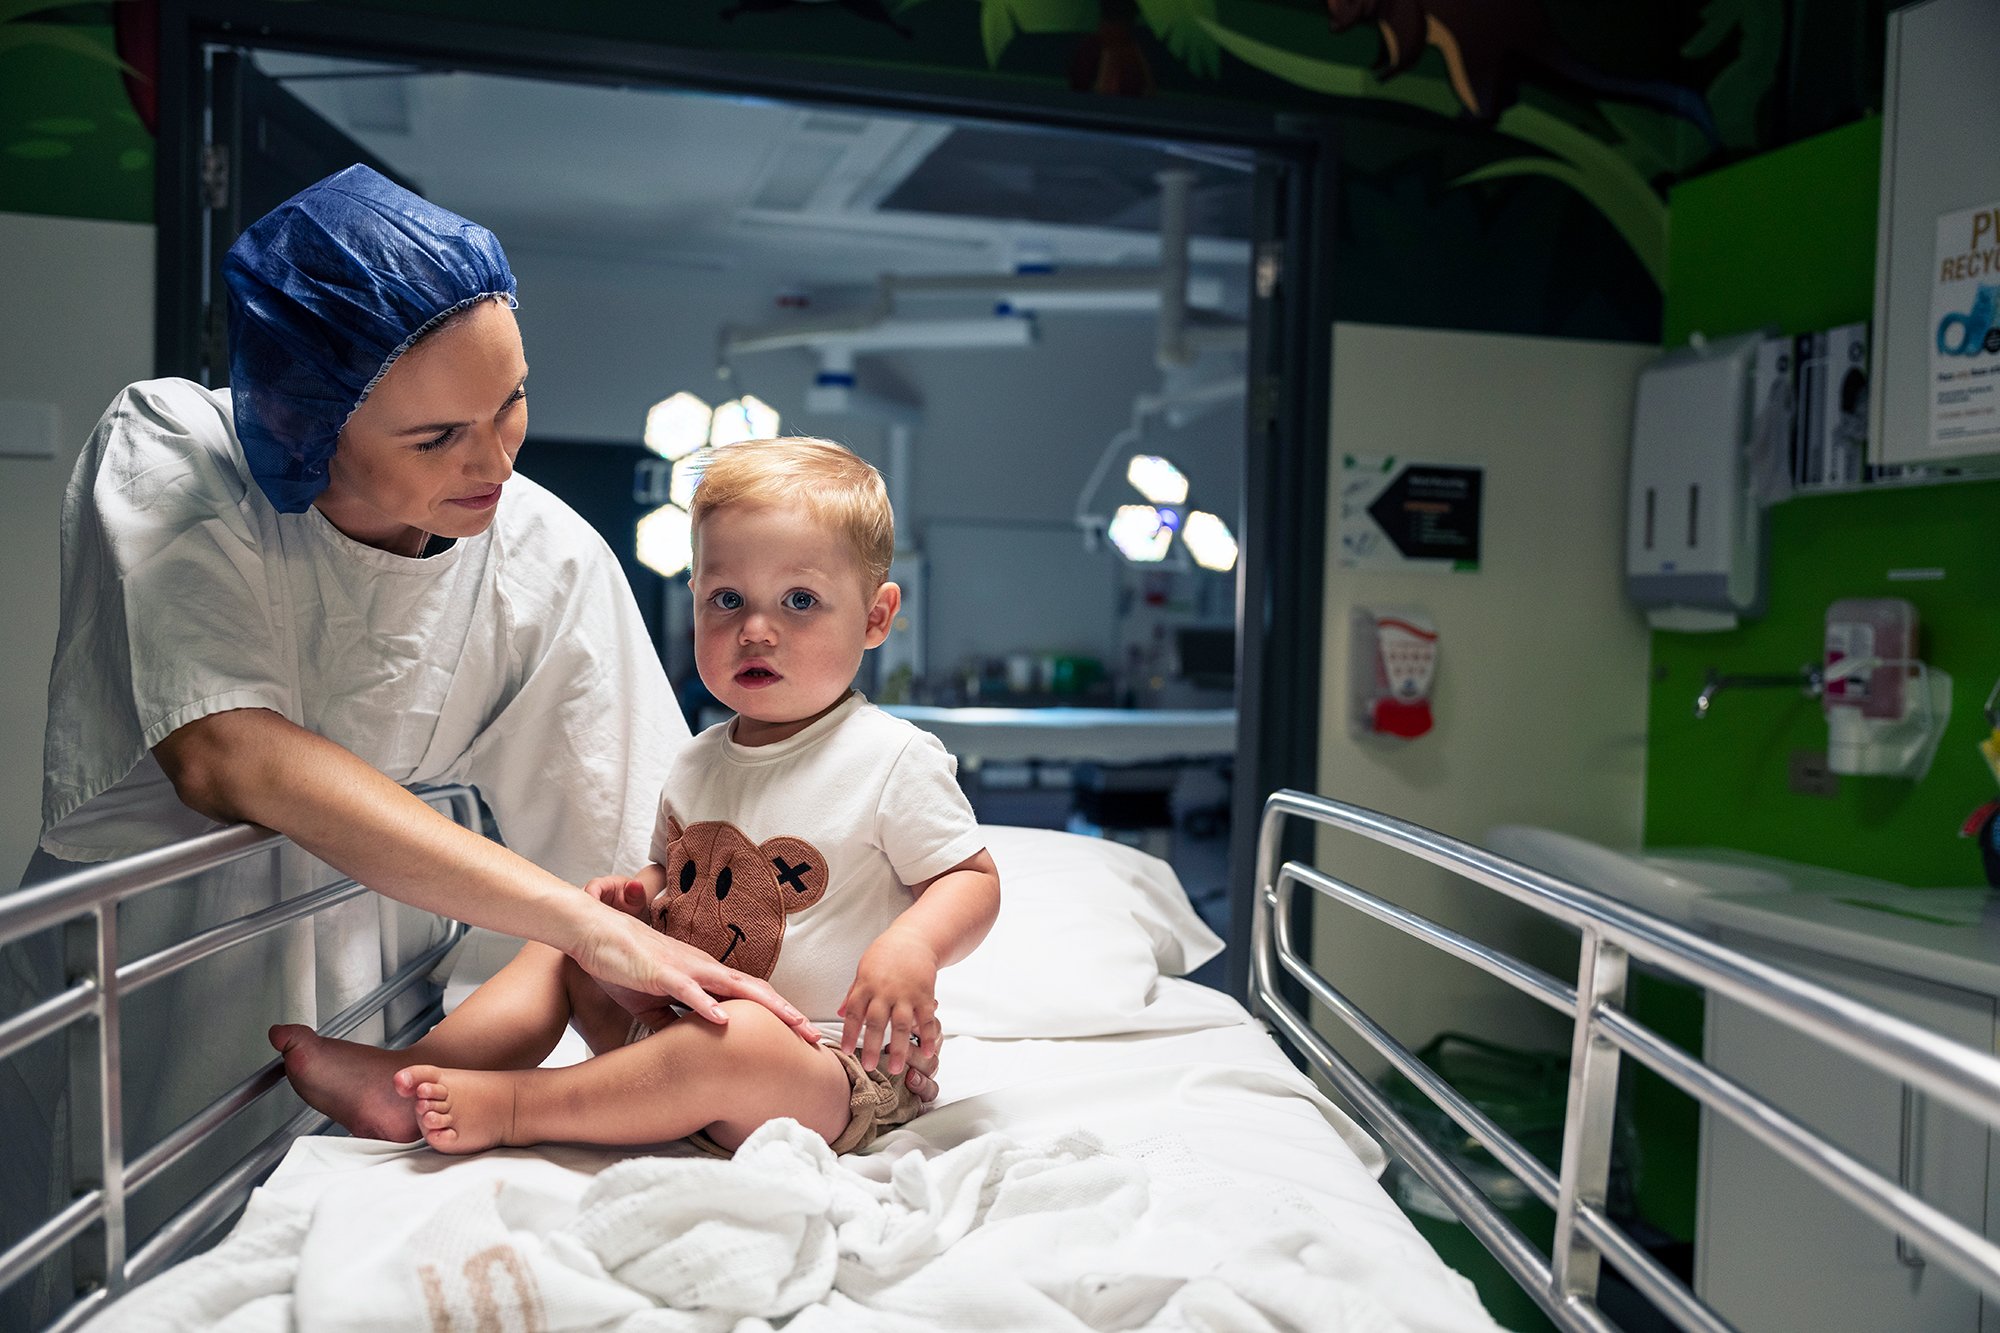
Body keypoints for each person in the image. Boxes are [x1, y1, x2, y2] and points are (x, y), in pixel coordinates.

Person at [2, 168, 934, 1323]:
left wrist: (641, 976)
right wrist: (582, 924)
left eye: (511, 405)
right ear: (301, 419)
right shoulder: (176, 453)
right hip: (139, 959)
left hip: (376, 974)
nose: (494, 461)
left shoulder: (541, 553)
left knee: (581, 946)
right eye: (440, 434)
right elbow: (225, 754)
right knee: (107, 1254)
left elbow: (640, 862)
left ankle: (462, 1092)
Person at [273, 436, 1001, 1156]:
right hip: (676, 1029)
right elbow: (671, 882)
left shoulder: (889, 756)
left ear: (876, 617)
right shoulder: (696, 761)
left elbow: (970, 879)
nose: (755, 629)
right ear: (693, 603)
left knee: (741, 1040)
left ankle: (522, 1105)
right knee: (570, 932)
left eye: (800, 600)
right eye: (727, 599)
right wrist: (636, 903)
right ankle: (414, 1075)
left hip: (825, 1069)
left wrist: (912, 943)